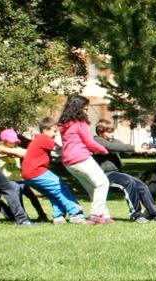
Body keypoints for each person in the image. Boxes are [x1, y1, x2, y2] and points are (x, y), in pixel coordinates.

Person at [94, 119, 156, 223]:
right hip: (106, 176)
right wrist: (133, 148)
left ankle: (155, 214)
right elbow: (112, 147)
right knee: (128, 181)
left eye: (112, 131)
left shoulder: (113, 141)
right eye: (109, 132)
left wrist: (146, 148)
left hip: (117, 174)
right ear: (100, 132)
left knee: (141, 185)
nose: (112, 134)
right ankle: (136, 215)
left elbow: (127, 151)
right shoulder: (97, 140)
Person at [58, 95, 114, 225]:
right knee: (103, 183)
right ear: (78, 109)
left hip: (68, 162)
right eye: (85, 109)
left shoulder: (64, 123)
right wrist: (103, 149)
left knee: (92, 187)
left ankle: (104, 216)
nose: (86, 111)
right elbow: (89, 142)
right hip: (81, 158)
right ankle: (95, 214)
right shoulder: (80, 123)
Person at [22, 117, 88, 225]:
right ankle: (76, 213)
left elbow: (56, 156)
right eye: (54, 131)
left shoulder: (37, 140)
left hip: (28, 175)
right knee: (61, 188)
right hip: (37, 171)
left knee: (53, 193)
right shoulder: (44, 139)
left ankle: (59, 217)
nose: (56, 134)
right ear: (45, 130)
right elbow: (61, 149)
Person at [0, 129, 49, 221]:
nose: (13, 143)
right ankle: (24, 217)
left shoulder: (18, 149)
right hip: (9, 181)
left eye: (15, 141)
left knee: (33, 197)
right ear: (4, 141)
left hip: (20, 179)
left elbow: (26, 152)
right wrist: (12, 153)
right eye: (11, 141)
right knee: (18, 199)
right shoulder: (1, 150)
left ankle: (42, 215)